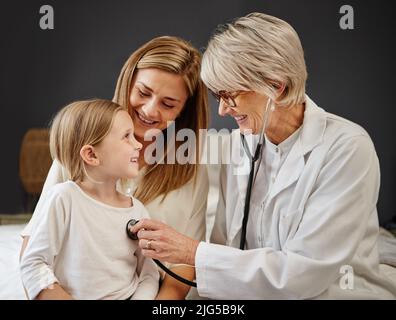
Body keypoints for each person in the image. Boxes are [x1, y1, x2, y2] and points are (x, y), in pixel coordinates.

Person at [131, 13, 396, 299]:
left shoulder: (346, 148)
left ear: (276, 85)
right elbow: (225, 247)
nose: (222, 110)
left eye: (230, 95)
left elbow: (304, 275)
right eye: (218, 96)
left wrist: (190, 251)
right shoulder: (238, 146)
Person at [20, 36, 209, 299]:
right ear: (128, 82)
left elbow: (182, 264)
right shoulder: (79, 154)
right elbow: (33, 252)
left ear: (183, 111)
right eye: (143, 93)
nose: (150, 110)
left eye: (168, 104)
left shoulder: (191, 171)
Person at [20, 99, 159, 300]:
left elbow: (149, 273)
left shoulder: (137, 210)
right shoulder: (63, 198)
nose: (138, 144)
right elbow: (33, 264)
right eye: (127, 136)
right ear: (91, 155)